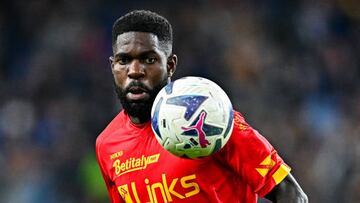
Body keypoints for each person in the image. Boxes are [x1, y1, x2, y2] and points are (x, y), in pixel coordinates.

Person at [96, 10, 308, 203]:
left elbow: (291, 194)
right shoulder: (107, 145)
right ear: (112, 66)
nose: (134, 71)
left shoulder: (212, 121)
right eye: (123, 61)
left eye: (149, 59)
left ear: (170, 65)